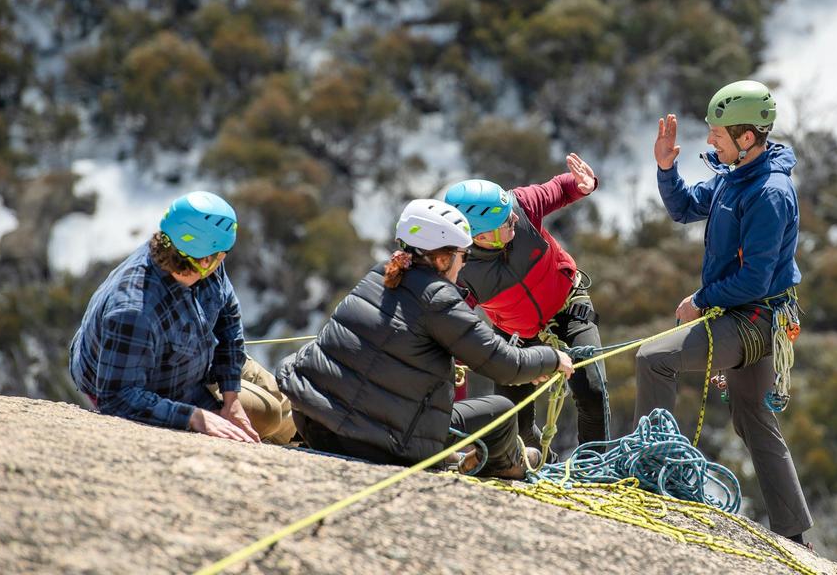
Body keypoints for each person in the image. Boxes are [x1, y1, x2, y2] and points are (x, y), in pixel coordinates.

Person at [635, 80, 813, 545]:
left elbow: (755, 279)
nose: (710, 141)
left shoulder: (769, 193)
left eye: (718, 134)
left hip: (751, 318)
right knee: (752, 414)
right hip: (748, 315)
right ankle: (793, 535)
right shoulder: (734, 176)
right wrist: (666, 168)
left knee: (654, 358)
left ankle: (646, 480)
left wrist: (700, 302)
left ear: (748, 138)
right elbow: (684, 208)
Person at [276, 199, 573, 478]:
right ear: (443, 259)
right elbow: (504, 365)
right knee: (502, 413)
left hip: (314, 422)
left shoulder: (378, 276)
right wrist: (552, 358)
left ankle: (457, 456)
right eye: (463, 255)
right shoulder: (439, 300)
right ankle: (507, 466)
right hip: (376, 444)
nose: (465, 263)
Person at [70, 191, 295, 444]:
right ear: (204, 260)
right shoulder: (133, 311)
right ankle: (295, 444)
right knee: (269, 414)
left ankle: (304, 435)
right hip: (156, 382)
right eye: (222, 254)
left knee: (287, 395)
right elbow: (117, 396)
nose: (224, 260)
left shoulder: (196, 254)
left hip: (197, 353)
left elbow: (228, 318)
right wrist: (193, 416)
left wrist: (231, 397)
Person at [443, 154, 609, 451]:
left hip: (569, 308)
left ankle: (595, 468)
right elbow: (455, 332)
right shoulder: (460, 271)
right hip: (517, 335)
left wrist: (582, 184)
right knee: (514, 424)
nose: (515, 219)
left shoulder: (519, 205)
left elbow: (557, 190)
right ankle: (545, 468)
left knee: (592, 391)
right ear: (482, 236)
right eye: (506, 222)